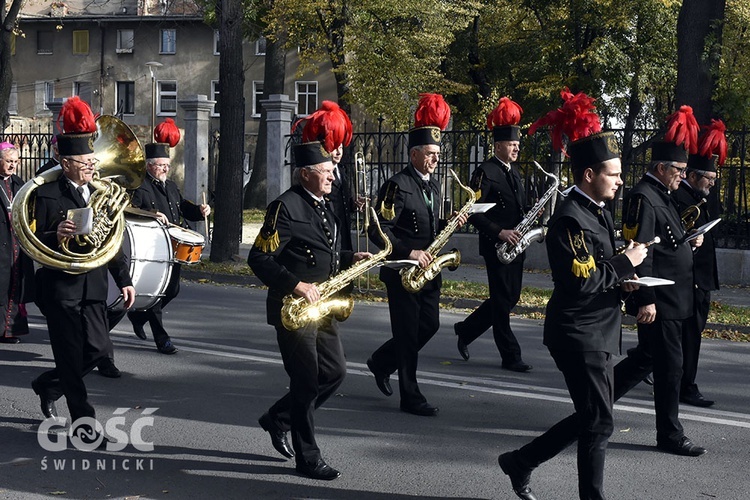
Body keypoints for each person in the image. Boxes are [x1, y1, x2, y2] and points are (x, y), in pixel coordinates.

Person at [497, 89, 646, 500]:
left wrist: (625, 283)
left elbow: (599, 273)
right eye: (613, 174)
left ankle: (520, 461)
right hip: (577, 333)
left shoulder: (596, 212)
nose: (620, 180)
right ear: (588, 175)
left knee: (592, 417)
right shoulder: (569, 218)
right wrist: (627, 263)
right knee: (599, 422)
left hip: (595, 330)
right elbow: (582, 280)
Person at [248, 140, 370, 480]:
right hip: (294, 310)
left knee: (334, 373)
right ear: (306, 174)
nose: (333, 177)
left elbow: (321, 250)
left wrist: (349, 258)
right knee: (305, 382)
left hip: (323, 306)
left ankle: (278, 418)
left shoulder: (325, 204)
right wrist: (296, 285)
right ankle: (308, 458)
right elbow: (258, 258)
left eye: (332, 171)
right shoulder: (284, 208)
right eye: (327, 172)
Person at [29, 97, 135, 436]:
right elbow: (34, 242)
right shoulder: (46, 195)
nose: (92, 165)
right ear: (65, 161)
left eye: (92, 159)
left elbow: (111, 240)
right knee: (71, 354)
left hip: (94, 284)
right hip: (60, 287)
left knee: (98, 350)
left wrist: (124, 278)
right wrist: (54, 233)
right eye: (84, 161)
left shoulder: (101, 191)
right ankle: (84, 424)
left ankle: (49, 384)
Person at [365, 93, 468, 417]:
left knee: (430, 325)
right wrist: (410, 251)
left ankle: (381, 361)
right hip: (402, 269)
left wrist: (447, 223)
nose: (436, 159)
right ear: (414, 153)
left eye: (438, 154)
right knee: (408, 335)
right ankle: (410, 396)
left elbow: (427, 223)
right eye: (431, 154)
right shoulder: (396, 186)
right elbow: (378, 230)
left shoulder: (434, 186)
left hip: (428, 270)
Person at [622, 105, 707, 457]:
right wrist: (645, 299)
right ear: (661, 168)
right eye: (680, 170)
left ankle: (591, 405)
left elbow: (667, 241)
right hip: (660, 301)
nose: (683, 177)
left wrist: (691, 239)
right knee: (670, 369)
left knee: (645, 359)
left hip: (674, 298)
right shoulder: (644, 196)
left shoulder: (664, 195)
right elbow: (640, 251)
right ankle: (670, 435)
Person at [454, 97, 532, 372]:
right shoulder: (483, 172)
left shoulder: (517, 173)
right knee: (501, 301)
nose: (516, 149)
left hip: (517, 244)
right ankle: (511, 355)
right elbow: (473, 211)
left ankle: (466, 329)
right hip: (496, 245)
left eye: (518, 145)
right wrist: (499, 232)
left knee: (510, 298)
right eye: (512, 145)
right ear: (498, 145)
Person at [126, 118, 210, 354]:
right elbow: (130, 212)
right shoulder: (140, 187)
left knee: (172, 290)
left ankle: (138, 317)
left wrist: (200, 210)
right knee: (157, 292)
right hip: (151, 248)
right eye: (161, 165)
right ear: (150, 165)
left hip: (172, 246)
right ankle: (162, 339)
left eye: (167, 165)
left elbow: (182, 207)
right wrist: (152, 214)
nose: (165, 169)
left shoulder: (171, 185)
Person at [673, 119, 724, 407]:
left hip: (700, 277)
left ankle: (656, 365)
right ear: (692, 175)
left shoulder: (697, 197)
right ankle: (686, 386)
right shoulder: (681, 197)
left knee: (689, 334)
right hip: (689, 278)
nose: (713, 183)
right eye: (709, 178)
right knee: (690, 336)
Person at [294, 101, 361, 251]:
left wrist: (353, 204)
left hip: (342, 231)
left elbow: (341, 202)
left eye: (341, 147)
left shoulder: (340, 170)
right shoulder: (313, 174)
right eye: (334, 147)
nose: (338, 152)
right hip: (326, 234)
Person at [0, 142, 35, 343]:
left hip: (15, 243)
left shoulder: (19, 183)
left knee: (14, 286)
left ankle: (10, 330)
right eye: (9, 162)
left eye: (15, 161)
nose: (13, 166)